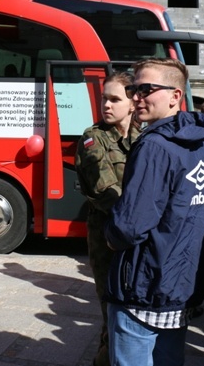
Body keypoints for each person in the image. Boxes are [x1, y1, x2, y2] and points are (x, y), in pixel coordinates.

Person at [104, 58, 204, 366]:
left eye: (147, 89)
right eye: (134, 88)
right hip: (182, 287)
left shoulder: (155, 146)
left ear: (175, 95)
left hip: (144, 288)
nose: (137, 97)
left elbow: (130, 226)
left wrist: (110, 236)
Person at [75, 71, 140, 366]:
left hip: (139, 238)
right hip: (108, 237)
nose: (107, 105)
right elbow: (106, 191)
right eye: (105, 98)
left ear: (132, 102)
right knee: (111, 309)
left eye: (115, 99)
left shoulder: (145, 137)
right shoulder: (93, 138)